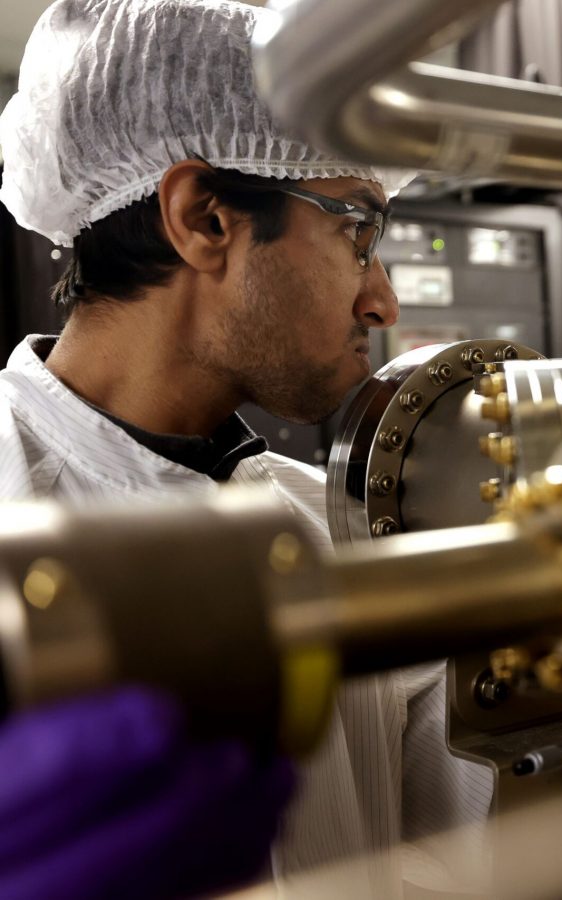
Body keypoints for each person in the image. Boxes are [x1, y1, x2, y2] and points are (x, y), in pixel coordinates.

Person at [0, 0, 492, 895]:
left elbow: (465, 848)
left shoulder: (336, 523)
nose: (382, 302)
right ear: (205, 220)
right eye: (358, 230)